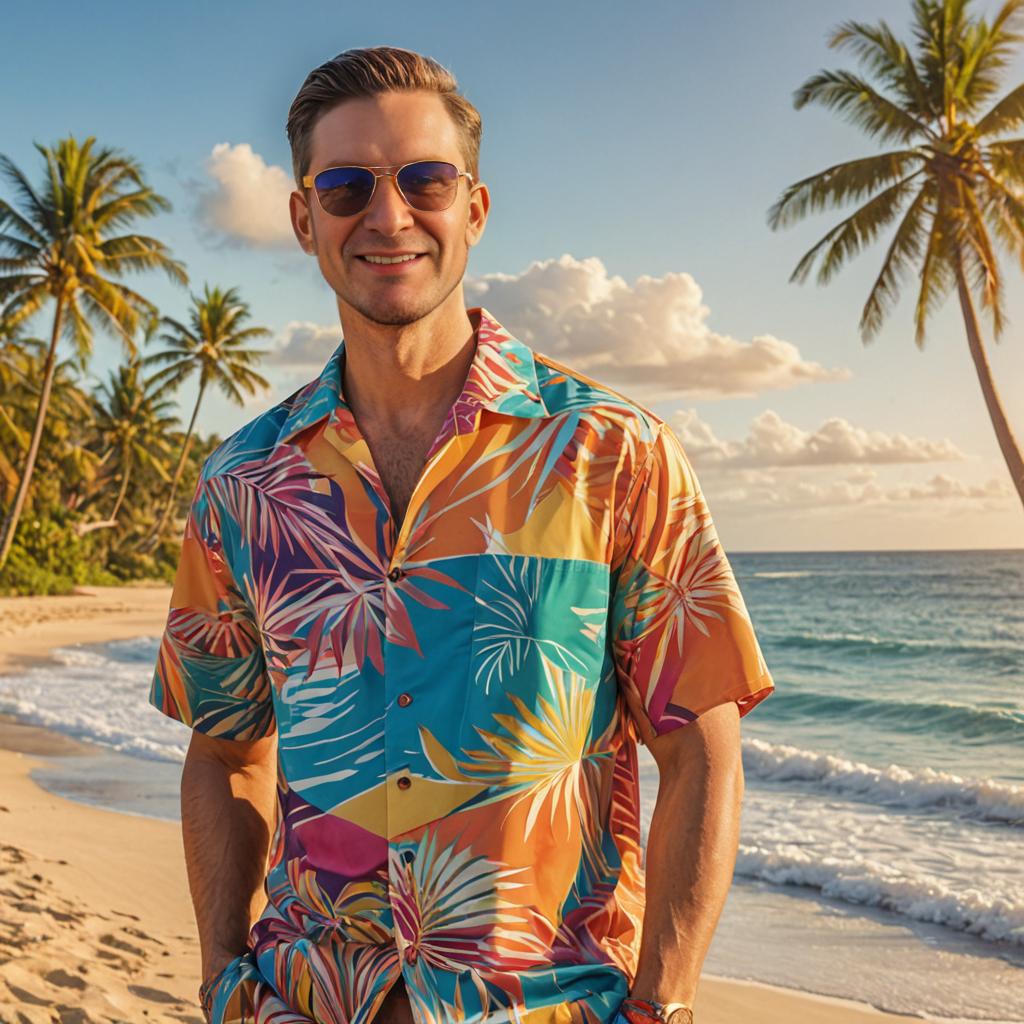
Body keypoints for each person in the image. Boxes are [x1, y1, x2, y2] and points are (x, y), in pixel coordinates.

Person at [149, 45, 775, 1024]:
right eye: (348, 185)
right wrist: (222, 975)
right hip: (303, 1001)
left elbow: (699, 750)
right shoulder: (244, 483)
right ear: (304, 217)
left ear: (473, 208)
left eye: (424, 180)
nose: (388, 216)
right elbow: (226, 750)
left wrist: (666, 1005)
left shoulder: (613, 455)